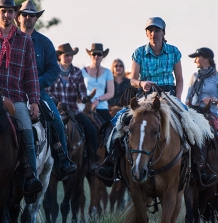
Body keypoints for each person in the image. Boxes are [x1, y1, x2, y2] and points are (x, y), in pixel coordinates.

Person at [97, 17, 217, 186]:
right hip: (145, 96)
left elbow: (180, 79)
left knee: (191, 122)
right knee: (119, 120)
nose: (154, 34)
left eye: (157, 30)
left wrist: (178, 98)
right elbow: (132, 79)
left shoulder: (174, 51)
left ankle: (200, 168)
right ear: (146, 33)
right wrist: (141, 83)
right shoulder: (139, 52)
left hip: (168, 95)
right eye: (150, 31)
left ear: (163, 33)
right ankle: (111, 163)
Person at [0, 0, 43, 199]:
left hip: (16, 95)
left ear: (15, 15)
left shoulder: (25, 41)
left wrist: (34, 101)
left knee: (26, 128)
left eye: (10, 12)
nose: (6, 15)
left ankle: (30, 175)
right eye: (3, 11)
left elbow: (31, 73)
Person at [15, 0, 76, 180]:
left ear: (36, 19)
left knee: (56, 119)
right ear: (18, 17)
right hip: (13, 93)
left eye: (31, 16)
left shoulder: (45, 43)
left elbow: (53, 70)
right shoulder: (11, 40)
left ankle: (63, 160)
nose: (28, 18)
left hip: (38, 93)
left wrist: (35, 83)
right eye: (24, 15)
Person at [46, 43, 100, 176]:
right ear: (60, 57)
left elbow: (81, 91)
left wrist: (86, 97)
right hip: (56, 111)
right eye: (66, 55)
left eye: (71, 56)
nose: (69, 58)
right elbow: (47, 91)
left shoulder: (77, 72)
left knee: (92, 129)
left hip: (73, 111)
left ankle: (93, 159)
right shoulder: (52, 71)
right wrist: (57, 102)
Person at [81, 43, 114, 123]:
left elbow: (110, 93)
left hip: (102, 107)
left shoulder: (107, 72)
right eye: (94, 54)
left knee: (112, 129)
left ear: (102, 56)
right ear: (90, 55)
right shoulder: (83, 71)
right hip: (85, 107)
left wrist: (98, 99)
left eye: (99, 54)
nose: (96, 56)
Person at [186, 47, 218, 115]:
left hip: (211, 113)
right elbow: (188, 98)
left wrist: (212, 100)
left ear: (206, 59)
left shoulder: (216, 77)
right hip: (194, 112)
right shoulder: (195, 76)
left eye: (197, 57)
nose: (195, 61)